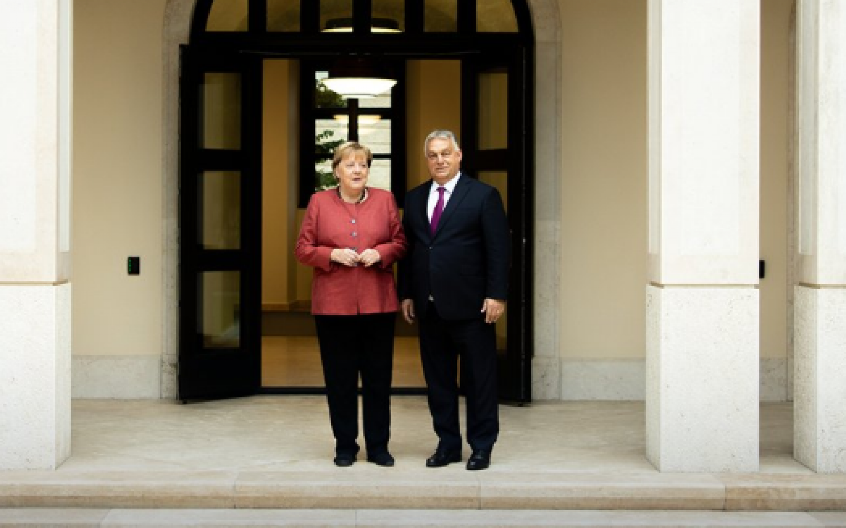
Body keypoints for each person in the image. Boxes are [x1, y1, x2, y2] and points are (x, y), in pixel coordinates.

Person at [398, 130, 510, 471]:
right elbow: (411, 250)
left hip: (473, 307)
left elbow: (498, 250)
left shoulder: (483, 195)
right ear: (426, 159)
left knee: (479, 381)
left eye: (446, 153)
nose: (440, 160)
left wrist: (497, 294)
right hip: (430, 307)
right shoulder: (415, 198)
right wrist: (406, 292)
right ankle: (447, 444)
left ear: (459, 155)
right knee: (439, 383)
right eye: (433, 155)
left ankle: (481, 446)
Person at [295, 141, 407, 467]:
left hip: (378, 304)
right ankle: (345, 446)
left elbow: (401, 243)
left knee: (377, 380)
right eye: (350, 164)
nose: (357, 170)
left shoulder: (385, 200)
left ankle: (378, 446)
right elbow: (302, 249)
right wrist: (330, 254)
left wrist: (382, 253)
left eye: (363, 165)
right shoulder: (319, 201)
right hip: (332, 307)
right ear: (336, 170)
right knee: (340, 379)